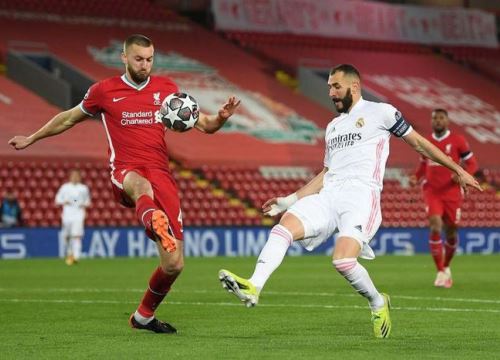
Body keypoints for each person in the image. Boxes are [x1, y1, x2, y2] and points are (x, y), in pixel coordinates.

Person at [218, 64, 481, 339]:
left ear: (354, 87)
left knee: (342, 261)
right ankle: (254, 286)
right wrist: (289, 200)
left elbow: (419, 143)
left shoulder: (381, 112)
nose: (331, 92)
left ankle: (378, 302)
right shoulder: (333, 127)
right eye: (329, 87)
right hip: (329, 194)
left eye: (336, 86)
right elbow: (327, 172)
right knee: (283, 227)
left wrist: (458, 169)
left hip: (360, 196)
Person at [8, 34, 240, 334]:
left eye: (150, 59)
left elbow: (205, 125)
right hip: (125, 171)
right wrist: (31, 138)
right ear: (125, 57)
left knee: (174, 264)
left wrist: (220, 118)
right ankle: (152, 218)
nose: (145, 65)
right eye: (139, 59)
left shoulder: (167, 90)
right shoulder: (103, 91)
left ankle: (143, 317)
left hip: (161, 174)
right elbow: (67, 119)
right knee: (141, 187)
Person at [410, 109, 478, 288]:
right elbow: (423, 165)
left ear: (447, 121)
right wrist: (416, 177)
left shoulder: (458, 140)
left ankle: (446, 266)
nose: (438, 121)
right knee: (435, 224)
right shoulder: (427, 142)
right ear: (431, 122)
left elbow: (472, 163)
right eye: (435, 119)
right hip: (432, 191)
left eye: (441, 118)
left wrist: (464, 174)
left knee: (452, 231)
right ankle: (440, 271)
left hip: (452, 192)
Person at [55, 169, 91, 265]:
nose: (75, 177)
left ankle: (76, 257)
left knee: (76, 235)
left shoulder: (83, 188)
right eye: (73, 175)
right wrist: (64, 202)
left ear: (79, 177)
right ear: (70, 177)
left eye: (77, 176)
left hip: (79, 214)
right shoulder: (65, 187)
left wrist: (83, 204)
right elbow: (57, 199)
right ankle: (69, 253)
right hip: (67, 214)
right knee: (66, 235)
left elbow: (88, 201)